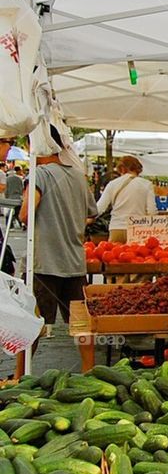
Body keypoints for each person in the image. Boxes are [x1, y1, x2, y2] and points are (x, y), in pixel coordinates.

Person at [20, 126, 98, 327]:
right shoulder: (79, 177)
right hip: (74, 263)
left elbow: (25, 214)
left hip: (44, 263)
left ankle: (22, 361)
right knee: (82, 324)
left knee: (32, 324)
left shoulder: (40, 174)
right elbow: (92, 213)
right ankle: (88, 361)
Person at [95, 155, 157, 243]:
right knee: (136, 256)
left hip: (116, 227)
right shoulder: (147, 184)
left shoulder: (112, 184)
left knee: (114, 255)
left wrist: (87, 219)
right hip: (138, 230)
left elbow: (99, 208)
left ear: (121, 168)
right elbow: (152, 211)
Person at [4, 162, 23, 229]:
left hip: (10, 197)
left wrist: (6, 196)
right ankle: (21, 224)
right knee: (18, 212)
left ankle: (9, 225)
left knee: (9, 213)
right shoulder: (20, 179)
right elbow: (22, 188)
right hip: (18, 197)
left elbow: (6, 189)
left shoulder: (7, 179)